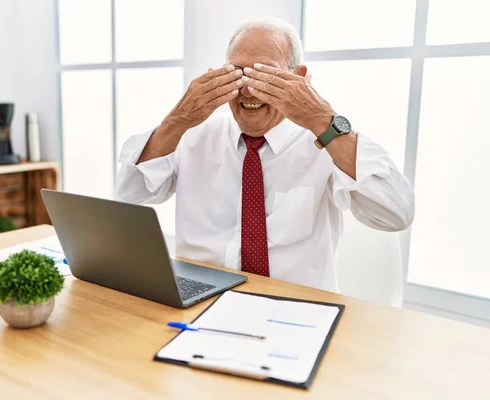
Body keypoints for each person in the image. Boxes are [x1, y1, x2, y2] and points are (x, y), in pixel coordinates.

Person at [115, 16, 414, 292]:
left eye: (265, 76)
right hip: (198, 305)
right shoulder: (192, 136)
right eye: (238, 74)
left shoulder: (327, 144)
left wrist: (323, 121)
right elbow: (127, 197)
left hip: (296, 314)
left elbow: (397, 214)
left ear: (300, 78)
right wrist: (178, 119)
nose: (248, 91)